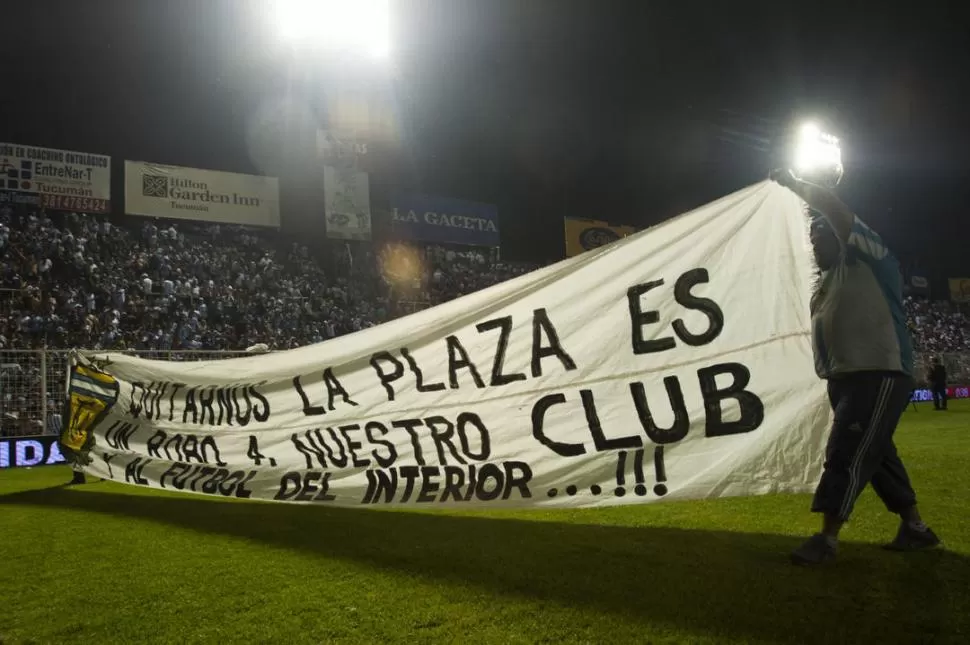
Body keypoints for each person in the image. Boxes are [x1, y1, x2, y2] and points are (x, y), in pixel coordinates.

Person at [770, 168, 940, 565]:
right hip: (844, 377)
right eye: (810, 240)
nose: (814, 245)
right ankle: (915, 528)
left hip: (877, 372)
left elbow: (833, 207)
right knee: (877, 455)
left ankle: (827, 538)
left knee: (845, 451)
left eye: (820, 236)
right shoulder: (826, 284)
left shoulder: (871, 255)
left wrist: (797, 185)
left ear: (840, 236)